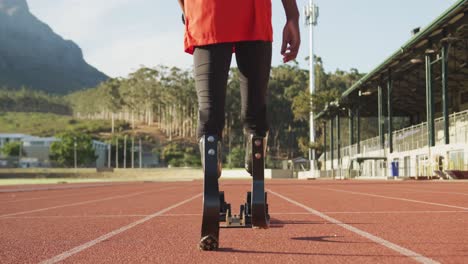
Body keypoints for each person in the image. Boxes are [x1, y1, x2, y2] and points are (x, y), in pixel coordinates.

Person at [178, 0, 301, 174]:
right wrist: (292, 16)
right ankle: (256, 157)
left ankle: (212, 170)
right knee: (255, 112)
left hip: (207, 12)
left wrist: (188, 10)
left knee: (209, 114)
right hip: (253, 11)